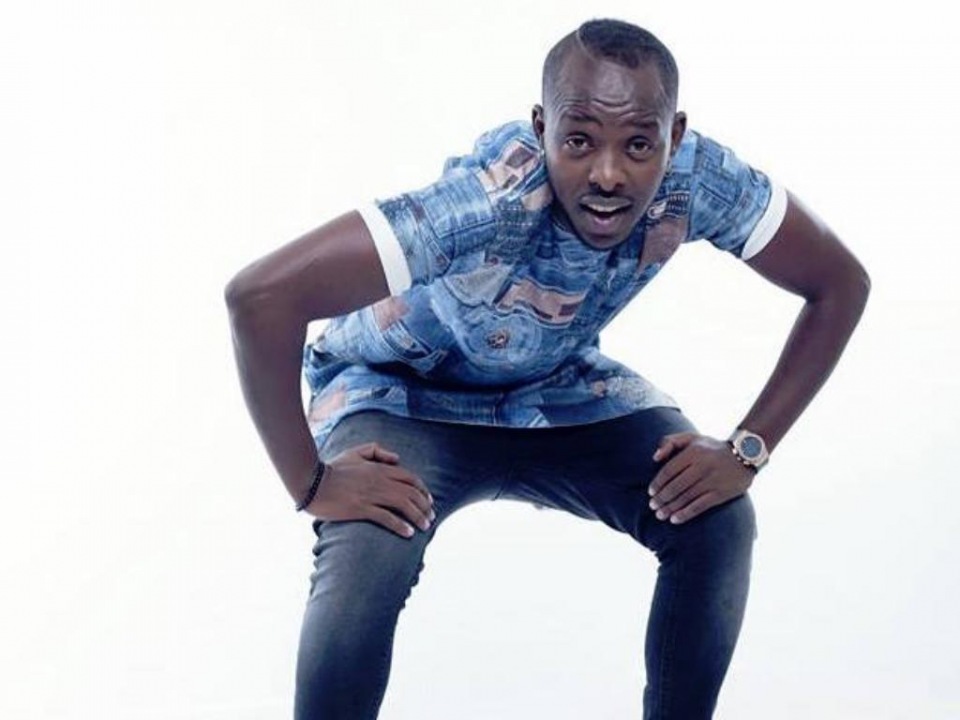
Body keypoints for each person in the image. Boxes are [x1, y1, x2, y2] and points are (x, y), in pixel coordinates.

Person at [225, 18, 870, 720]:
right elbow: (261, 297)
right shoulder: (484, 204)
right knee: (370, 544)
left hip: (550, 391)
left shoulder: (700, 181)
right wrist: (311, 482)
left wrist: (747, 449)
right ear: (542, 129)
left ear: (674, 136)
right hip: (399, 394)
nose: (608, 174)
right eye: (579, 141)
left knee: (716, 515)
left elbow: (840, 283)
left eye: (639, 145)